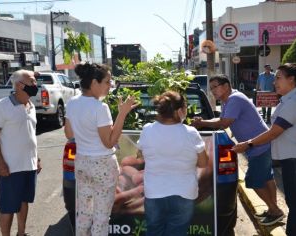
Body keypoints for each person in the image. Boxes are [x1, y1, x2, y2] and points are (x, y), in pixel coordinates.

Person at [233, 63, 296, 236]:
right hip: (295, 159)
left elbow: (274, 133)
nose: (274, 82)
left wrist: (248, 143)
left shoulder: (294, 102)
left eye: (278, 78)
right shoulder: (290, 98)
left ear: (291, 80)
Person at [191, 74, 284, 226]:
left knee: (253, 181)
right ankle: (272, 209)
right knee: (266, 178)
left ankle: (275, 211)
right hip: (260, 144)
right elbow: (221, 119)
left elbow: (224, 123)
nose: (212, 90)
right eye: (211, 87)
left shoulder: (234, 99)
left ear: (226, 86)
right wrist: (202, 122)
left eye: (215, 87)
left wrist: (201, 124)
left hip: (258, 145)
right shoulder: (229, 100)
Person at [64, 62, 138, 236]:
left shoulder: (72, 102)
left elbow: (68, 133)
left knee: (83, 213)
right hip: (103, 164)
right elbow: (109, 142)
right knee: (101, 216)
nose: (109, 86)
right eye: (107, 82)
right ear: (94, 83)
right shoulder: (100, 107)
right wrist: (122, 113)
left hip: (82, 161)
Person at [137, 91, 208, 236]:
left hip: (154, 192)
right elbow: (203, 163)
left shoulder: (147, 130)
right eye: (186, 107)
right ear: (179, 111)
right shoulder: (191, 133)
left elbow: (140, 157)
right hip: (184, 193)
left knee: (154, 231)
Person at [0, 69, 42, 236]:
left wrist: (37, 158)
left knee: (24, 201)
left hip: (29, 164)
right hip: (11, 167)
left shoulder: (31, 106)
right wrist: (0, 163)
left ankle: (21, 233)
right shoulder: (2, 106)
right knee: (8, 207)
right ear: (19, 85)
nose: (35, 85)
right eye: (32, 82)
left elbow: (30, 134)